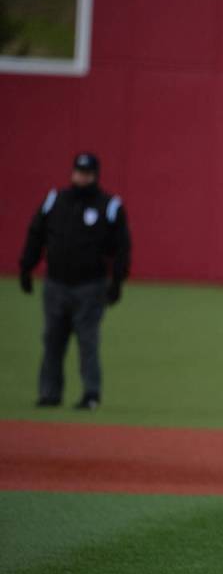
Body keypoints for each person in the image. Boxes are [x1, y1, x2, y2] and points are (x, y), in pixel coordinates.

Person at [18, 152, 132, 409]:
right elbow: (36, 233)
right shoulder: (55, 200)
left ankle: (91, 394)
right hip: (56, 283)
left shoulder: (109, 205)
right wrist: (26, 267)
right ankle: (49, 393)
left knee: (88, 341)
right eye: (78, 172)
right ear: (72, 172)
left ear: (95, 175)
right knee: (52, 340)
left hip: (91, 285)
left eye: (87, 173)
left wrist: (117, 281)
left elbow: (122, 247)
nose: (82, 177)